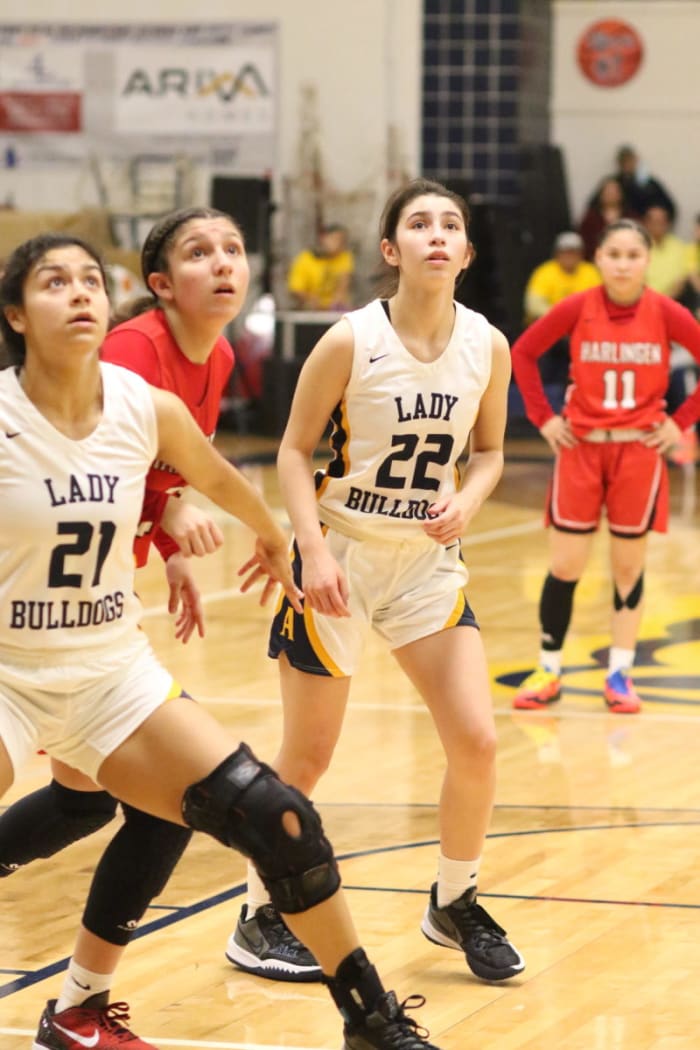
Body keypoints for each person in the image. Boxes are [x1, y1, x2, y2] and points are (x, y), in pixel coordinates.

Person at [0, 232, 440, 1050]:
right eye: (54, 282)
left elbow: (214, 476)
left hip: (109, 671)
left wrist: (275, 539)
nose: (80, 293)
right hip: (8, 674)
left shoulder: (144, 406)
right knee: (96, 808)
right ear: (16, 314)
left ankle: (371, 1022)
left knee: (278, 817)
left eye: (92, 279)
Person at [0, 206, 320, 993]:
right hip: (36, 617)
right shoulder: (127, 351)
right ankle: (86, 999)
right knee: (143, 803)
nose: (223, 265)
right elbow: (87, 456)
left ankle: (81, 1003)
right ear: (158, 285)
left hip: (96, 609)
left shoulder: (208, 359)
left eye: (234, 249)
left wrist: (172, 542)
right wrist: (169, 513)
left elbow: (171, 468)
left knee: (93, 806)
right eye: (200, 252)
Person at [226, 177, 525, 987]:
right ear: (391, 250)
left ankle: (454, 900)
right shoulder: (350, 341)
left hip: (425, 565)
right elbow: (291, 451)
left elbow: (493, 451)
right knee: (309, 759)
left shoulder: (487, 345)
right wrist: (311, 550)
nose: (437, 235)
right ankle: (257, 915)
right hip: (342, 559)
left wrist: (465, 498)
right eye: (419, 224)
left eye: (451, 225)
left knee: (477, 740)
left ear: (465, 253)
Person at [510, 219, 700, 714]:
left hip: (637, 451)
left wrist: (679, 423)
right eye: (613, 254)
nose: (622, 264)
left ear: (647, 262)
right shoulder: (578, 305)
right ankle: (549, 668)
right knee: (565, 565)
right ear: (599, 258)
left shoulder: (665, 311)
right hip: (582, 449)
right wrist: (544, 419)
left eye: (632, 255)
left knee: (626, 567)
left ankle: (620, 672)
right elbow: (524, 352)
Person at [523, 231, 601, 324]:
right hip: (551, 324)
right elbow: (534, 305)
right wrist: (562, 316)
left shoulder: (591, 272)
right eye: (565, 252)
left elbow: (600, 302)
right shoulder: (544, 272)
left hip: (583, 324)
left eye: (573, 252)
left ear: (581, 254)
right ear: (557, 253)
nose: (569, 256)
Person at [287, 223, 355, 310]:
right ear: (323, 238)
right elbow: (295, 288)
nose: (338, 244)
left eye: (342, 241)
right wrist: (309, 298)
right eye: (335, 239)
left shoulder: (344, 257)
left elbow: (344, 282)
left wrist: (338, 299)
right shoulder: (305, 259)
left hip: (334, 309)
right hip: (311, 309)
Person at [578, 176, 639, 260]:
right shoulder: (591, 218)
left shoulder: (630, 216)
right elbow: (585, 244)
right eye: (607, 192)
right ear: (600, 195)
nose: (611, 194)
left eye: (614, 191)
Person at [613, 145, 676, 223]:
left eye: (630, 160)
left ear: (636, 161)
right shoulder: (614, 184)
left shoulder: (649, 183)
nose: (628, 164)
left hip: (648, 226)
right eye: (624, 162)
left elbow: (669, 207)